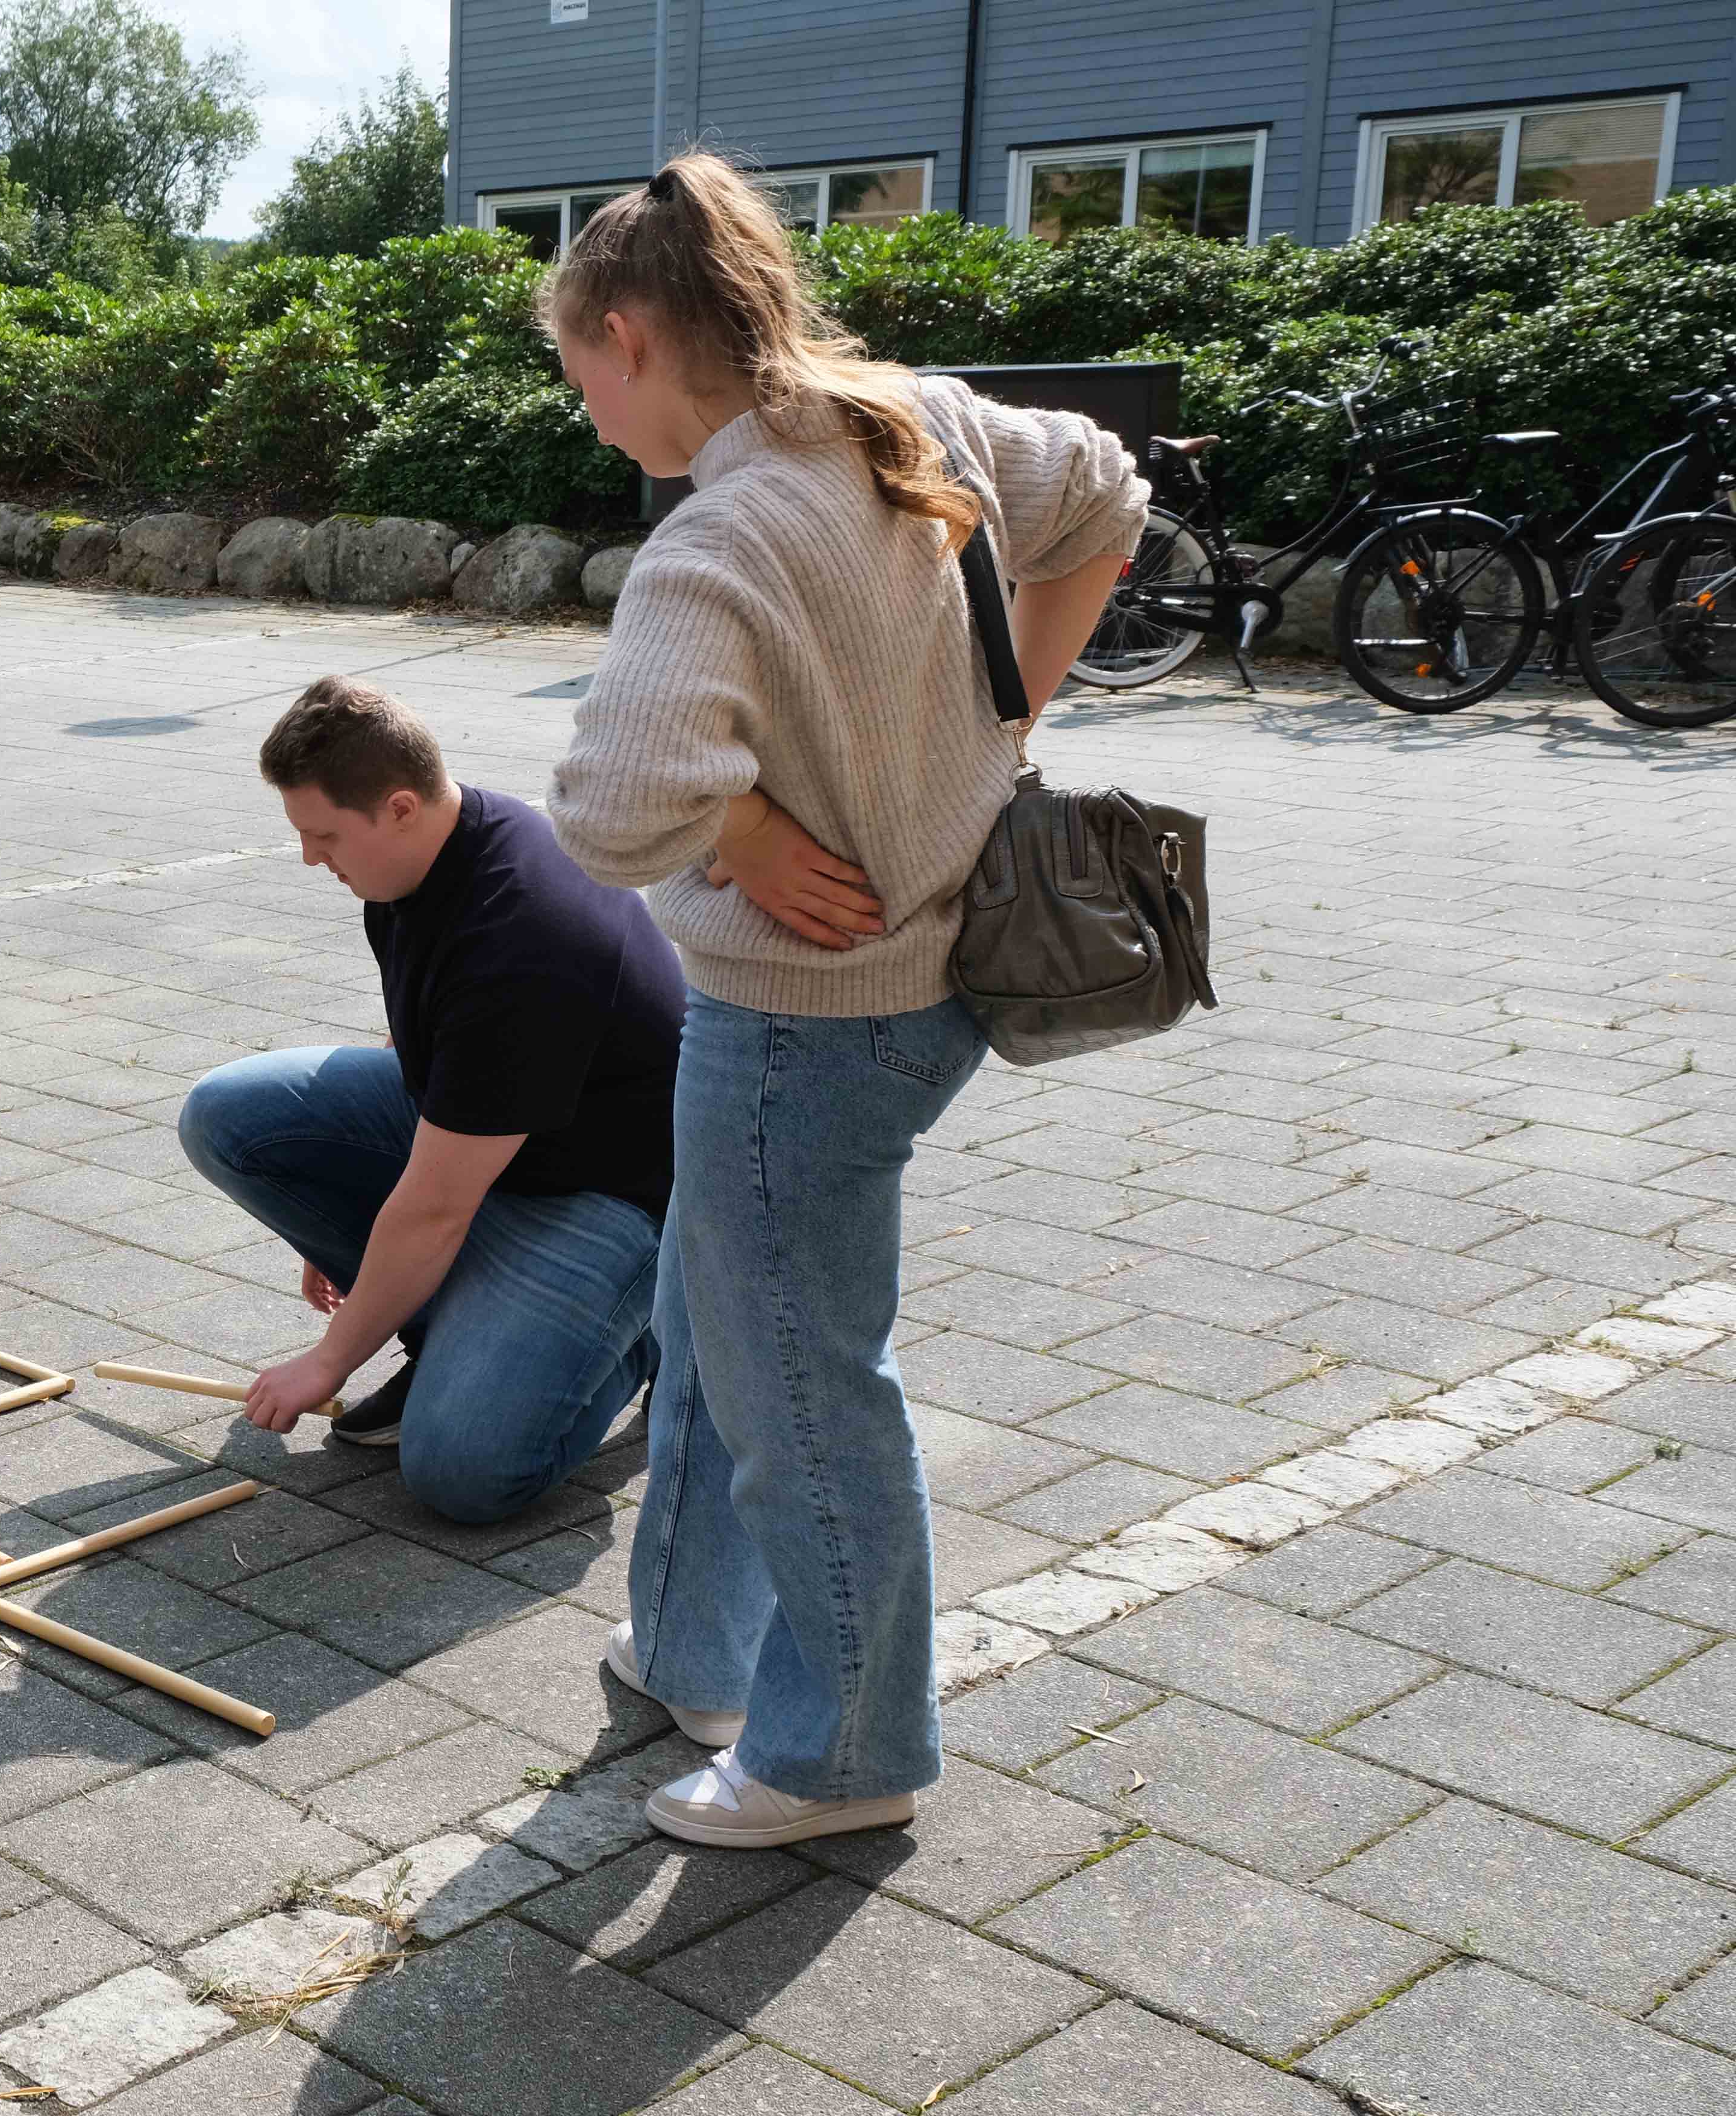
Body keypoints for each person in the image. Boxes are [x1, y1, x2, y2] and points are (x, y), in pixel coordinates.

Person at [542, 152, 1143, 1850]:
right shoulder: (916, 413)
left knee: (803, 1383)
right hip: (928, 982)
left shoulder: (718, 537)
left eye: (580, 372)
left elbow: (605, 809)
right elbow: (1108, 489)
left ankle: (844, 1754)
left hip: (806, 1022)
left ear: (638, 335)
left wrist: (733, 815)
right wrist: (1014, 707)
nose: (586, 412)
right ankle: (694, 1649)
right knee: (728, 1324)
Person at [176, 677, 685, 1535]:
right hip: (501, 1145)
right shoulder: (417, 863)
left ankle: (650, 1329)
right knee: (228, 1115)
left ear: (399, 807)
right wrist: (344, 1202)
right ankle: (449, 1327)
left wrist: (330, 1361)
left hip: (613, 1198)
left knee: (463, 1473)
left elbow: (438, 1205)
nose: (310, 858)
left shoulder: (520, 936)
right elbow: (429, 1046)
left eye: (323, 835)